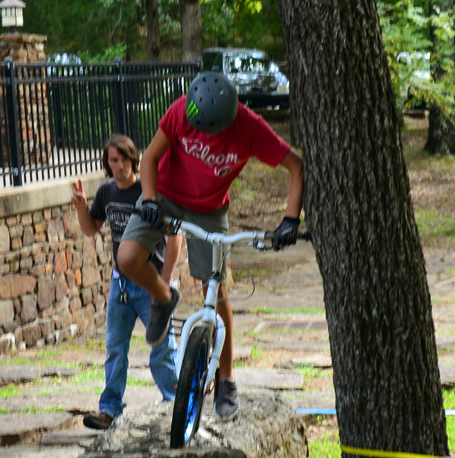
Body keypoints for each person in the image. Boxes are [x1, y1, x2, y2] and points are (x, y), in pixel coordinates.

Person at [115, 70, 304, 423]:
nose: (202, 136)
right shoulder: (182, 111)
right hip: (166, 197)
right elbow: (149, 159)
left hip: (210, 209)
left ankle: (226, 379)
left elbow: (295, 165)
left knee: (216, 295)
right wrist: (151, 198)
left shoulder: (251, 128)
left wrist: (290, 219)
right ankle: (162, 297)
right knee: (127, 258)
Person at [72, 133, 178, 430]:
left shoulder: (148, 190)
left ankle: (174, 402)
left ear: (134, 159)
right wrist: (81, 207)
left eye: (124, 159)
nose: (119, 166)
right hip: (120, 285)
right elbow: (91, 228)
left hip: (150, 281)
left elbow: (175, 235)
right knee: (115, 348)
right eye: (113, 160)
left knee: (162, 346)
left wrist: (166, 281)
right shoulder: (106, 192)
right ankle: (110, 409)